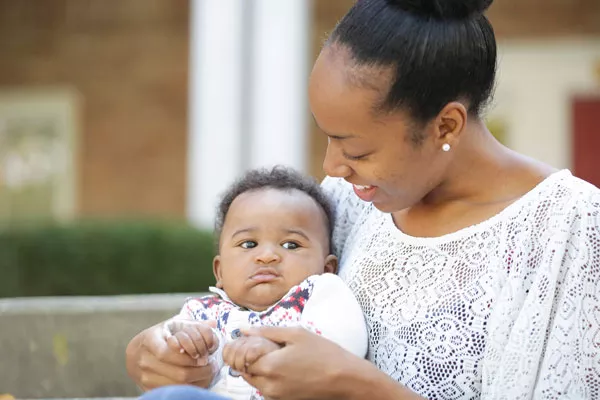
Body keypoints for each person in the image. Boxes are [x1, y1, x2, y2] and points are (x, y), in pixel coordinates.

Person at [126, 0, 600, 398]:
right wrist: (158, 352)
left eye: (356, 148)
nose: (331, 167)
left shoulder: (569, 228)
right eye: (327, 139)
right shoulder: (350, 200)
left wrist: (356, 386)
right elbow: (249, 303)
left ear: (446, 126)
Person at [142, 166, 367, 399]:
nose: (267, 255)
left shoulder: (321, 294)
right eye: (249, 244)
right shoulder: (202, 313)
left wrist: (280, 351)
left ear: (326, 267)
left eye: (291, 244)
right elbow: (170, 352)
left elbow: (344, 342)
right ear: (219, 272)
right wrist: (187, 345)